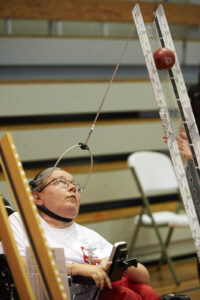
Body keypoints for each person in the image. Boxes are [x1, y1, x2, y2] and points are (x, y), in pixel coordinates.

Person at [0, 167, 161, 300]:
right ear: (37, 197)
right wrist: (75, 268)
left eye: (74, 185)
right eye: (61, 182)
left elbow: (144, 277)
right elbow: (15, 262)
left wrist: (120, 265)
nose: (72, 188)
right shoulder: (20, 221)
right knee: (126, 296)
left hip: (95, 293)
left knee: (144, 291)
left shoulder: (88, 235)